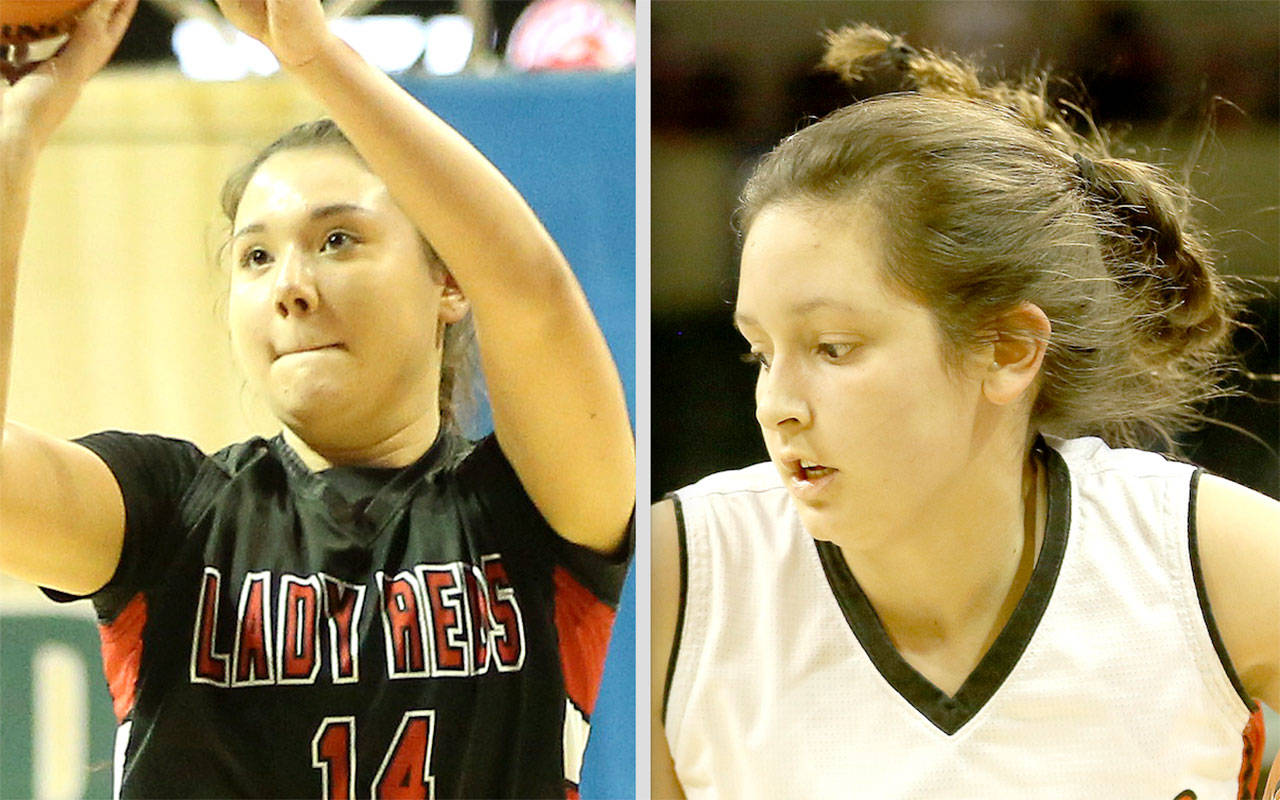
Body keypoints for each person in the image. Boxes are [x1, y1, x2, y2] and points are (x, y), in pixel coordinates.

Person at [1, 0, 635, 797]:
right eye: (256, 256)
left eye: (338, 239)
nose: (291, 287)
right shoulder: (171, 513)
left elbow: (532, 296)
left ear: (449, 280)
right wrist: (15, 139)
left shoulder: (530, 514)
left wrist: (316, 57)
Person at [651, 24, 1279, 799]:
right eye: (760, 352)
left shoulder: (1201, 558)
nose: (778, 407)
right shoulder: (678, 581)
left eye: (835, 347)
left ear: (1008, 349)